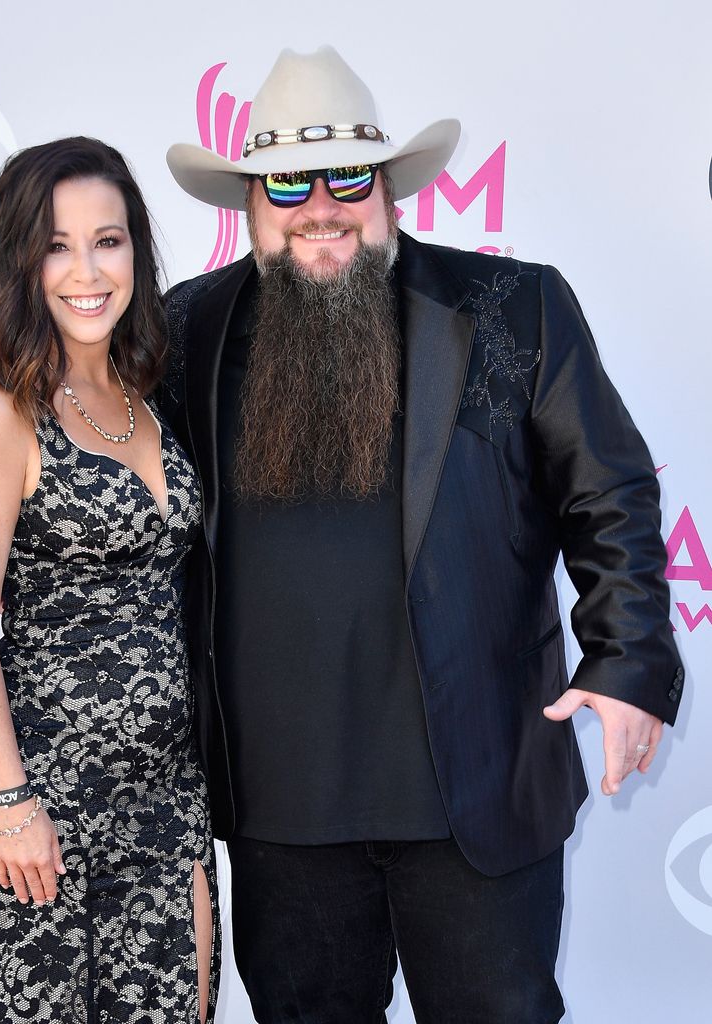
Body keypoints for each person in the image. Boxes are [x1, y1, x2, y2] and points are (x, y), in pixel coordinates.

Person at [161, 46, 684, 1024]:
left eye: (348, 176)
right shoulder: (185, 329)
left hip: (476, 795)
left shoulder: (511, 308)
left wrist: (626, 660)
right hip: (279, 815)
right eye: (286, 183)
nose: (320, 205)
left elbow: (606, 491)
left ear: (388, 188)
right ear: (248, 201)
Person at [0, 137, 218, 1024]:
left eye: (109, 239)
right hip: (46, 795)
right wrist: (12, 801)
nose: (86, 270)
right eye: (57, 245)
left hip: (168, 786)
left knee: (189, 1004)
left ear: (137, 248)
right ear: (23, 262)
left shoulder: (146, 394)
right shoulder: (0, 408)